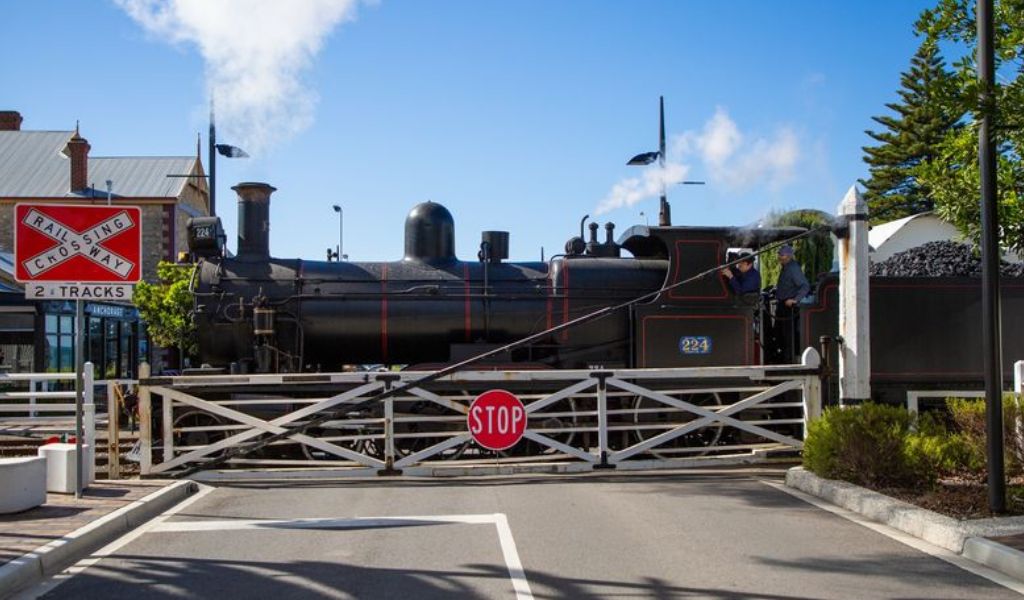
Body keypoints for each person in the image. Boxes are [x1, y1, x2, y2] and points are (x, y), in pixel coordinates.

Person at [772, 245, 810, 362]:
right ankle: (782, 357)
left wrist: (795, 299)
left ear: (788, 256)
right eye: (779, 254)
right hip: (782, 305)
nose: (779, 257)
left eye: (781, 255)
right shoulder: (785, 267)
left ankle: (788, 359)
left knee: (788, 335)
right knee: (780, 334)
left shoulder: (793, 268)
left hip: (788, 307)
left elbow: (805, 286)